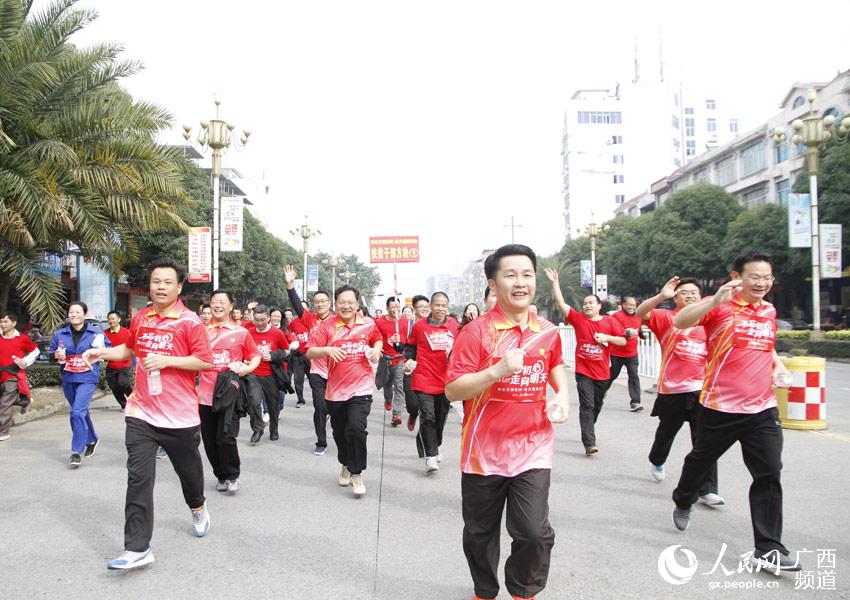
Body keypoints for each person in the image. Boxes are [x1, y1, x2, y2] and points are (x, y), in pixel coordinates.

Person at [446, 244, 568, 600]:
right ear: (493, 283)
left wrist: (561, 396)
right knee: (480, 532)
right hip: (483, 452)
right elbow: (453, 390)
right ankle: (484, 590)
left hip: (533, 447)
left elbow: (556, 365)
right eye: (510, 275)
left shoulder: (547, 330)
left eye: (527, 274)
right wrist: (496, 371)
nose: (520, 283)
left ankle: (523, 591)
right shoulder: (476, 333)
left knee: (533, 531)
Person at [669, 252, 801, 572]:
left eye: (766, 278)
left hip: (762, 409)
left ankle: (768, 548)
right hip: (720, 408)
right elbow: (679, 321)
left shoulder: (768, 310)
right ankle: (684, 496)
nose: (761, 283)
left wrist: (779, 367)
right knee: (700, 460)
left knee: (769, 473)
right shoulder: (720, 307)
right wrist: (713, 300)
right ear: (737, 276)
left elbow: (766, 346)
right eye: (755, 277)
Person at [84, 257, 213, 571]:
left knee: (190, 475)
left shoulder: (190, 322)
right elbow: (129, 351)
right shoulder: (142, 317)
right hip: (141, 412)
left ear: (179, 287)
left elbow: (205, 361)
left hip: (180, 417)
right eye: (156, 281)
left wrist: (168, 361)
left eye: (167, 282)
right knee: (139, 478)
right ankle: (138, 548)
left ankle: (197, 506)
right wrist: (101, 352)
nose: (160, 287)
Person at [635, 277, 723, 505]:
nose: (690, 296)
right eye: (684, 292)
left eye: (694, 292)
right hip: (672, 390)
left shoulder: (709, 320)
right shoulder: (666, 318)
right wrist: (661, 296)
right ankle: (657, 459)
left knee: (705, 441)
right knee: (666, 432)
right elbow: (640, 312)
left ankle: (707, 490)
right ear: (676, 297)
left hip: (700, 391)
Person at [306, 284, 382, 497]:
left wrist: (376, 350)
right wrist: (327, 349)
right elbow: (310, 351)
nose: (346, 306)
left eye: (351, 302)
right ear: (335, 304)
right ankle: (346, 464)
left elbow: (377, 338)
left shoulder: (368, 323)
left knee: (356, 429)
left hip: (362, 387)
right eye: (342, 302)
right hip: (336, 391)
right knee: (340, 432)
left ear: (357, 304)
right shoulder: (328, 326)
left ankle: (357, 473)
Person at [545, 268, 625, 455]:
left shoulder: (609, 322)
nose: (587, 305)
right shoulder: (578, 319)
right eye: (585, 303)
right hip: (584, 371)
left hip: (603, 372)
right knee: (587, 405)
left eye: (591, 303)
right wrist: (555, 282)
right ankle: (589, 443)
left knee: (596, 406)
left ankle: (589, 426)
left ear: (599, 306)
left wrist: (607, 337)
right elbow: (560, 303)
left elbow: (622, 341)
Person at [198, 289, 260, 494]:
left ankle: (232, 475)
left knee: (225, 437)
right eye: (214, 301)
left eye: (222, 302)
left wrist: (248, 368)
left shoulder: (241, 332)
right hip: (204, 395)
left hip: (230, 393)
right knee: (209, 440)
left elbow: (254, 355)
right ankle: (221, 475)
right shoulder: (200, 331)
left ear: (231, 306)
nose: (217, 305)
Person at [48, 302, 109, 467]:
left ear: (84, 314)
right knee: (80, 411)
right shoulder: (60, 334)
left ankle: (76, 451)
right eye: (71, 312)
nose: (74, 315)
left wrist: (97, 352)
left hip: (87, 377)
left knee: (76, 412)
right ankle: (91, 439)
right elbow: (51, 353)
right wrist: (56, 355)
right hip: (68, 377)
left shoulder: (95, 332)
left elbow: (107, 349)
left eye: (77, 312)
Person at [404, 292, 459, 472]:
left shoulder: (454, 326)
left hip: (446, 380)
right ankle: (431, 456)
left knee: (441, 417)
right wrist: (409, 359)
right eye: (437, 305)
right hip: (424, 377)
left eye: (444, 305)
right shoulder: (420, 326)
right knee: (428, 416)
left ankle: (436, 444)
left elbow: (463, 347)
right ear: (431, 306)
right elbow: (410, 346)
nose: (440, 309)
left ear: (447, 307)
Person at [284, 264, 334, 455]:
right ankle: (321, 441)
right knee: (320, 407)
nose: (320, 304)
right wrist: (290, 285)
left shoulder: (338, 320)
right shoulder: (309, 319)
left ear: (330, 303)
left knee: (333, 408)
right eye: (317, 301)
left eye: (323, 301)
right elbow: (297, 305)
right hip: (317, 371)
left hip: (336, 372)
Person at [247, 305, 290, 443]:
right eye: (256, 320)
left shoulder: (277, 333)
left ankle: (274, 430)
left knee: (273, 404)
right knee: (253, 402)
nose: (259, 323)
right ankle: (258, 429)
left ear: (269, 318)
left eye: (262, 320)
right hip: (253, 373)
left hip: (270, 374)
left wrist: (273, 355)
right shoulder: (249, 332)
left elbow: (287, 351)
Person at [0, 311, 40, 442]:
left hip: (12, 374)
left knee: (4, 404)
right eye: (1, 321)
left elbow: (36, 351)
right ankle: (25, 401)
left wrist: (25, 361)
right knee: (5, 400)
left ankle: (3, 432)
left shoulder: (22, 338)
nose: (3, 324)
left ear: (14, 323)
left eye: (5, 321)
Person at [375, 296, 409, 427]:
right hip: (385, 358)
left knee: (399, 386)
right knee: (387, 385)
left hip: (399, 358)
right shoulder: (380, 322)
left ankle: (397, 414)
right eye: (392, 307)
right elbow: (375, 338)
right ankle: (388, 400)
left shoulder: (405, 322)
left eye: (397, 307)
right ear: (387, 308)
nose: (395, 310)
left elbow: (408, 341)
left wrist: (400, 342)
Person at [607, 296, 646, 411]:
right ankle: (600, 391)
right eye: (629, 305)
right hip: (617, 353)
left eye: (634, 305)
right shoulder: (616, 317)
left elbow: (638, 329)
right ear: (624, 305)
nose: (632, 307)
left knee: (634, 376)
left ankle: (635, 402)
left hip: (632, 354)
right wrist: (625, 333)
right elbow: (610, 330)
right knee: (612, 374)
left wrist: (642, 335)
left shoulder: (638, 316)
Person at [403, 294, 431, 431]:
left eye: (427, 306)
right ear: (414, 309)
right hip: (412, 368)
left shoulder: (436, 325)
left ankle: (427, 435)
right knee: (412, 404)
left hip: (430, 371)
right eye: (422, 306)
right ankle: (413, 414)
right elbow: (402, 346)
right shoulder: (407, 325)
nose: (426, 309)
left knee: (429, 409)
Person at [104, 310, 133, 409]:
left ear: (119, 319)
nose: (111, 321)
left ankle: (134, 401)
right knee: (114, 387)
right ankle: (124, 405)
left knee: (123, 383)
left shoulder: (127, 332)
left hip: (124, 364)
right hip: (111, 365)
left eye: (113, 319)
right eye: (109, 319)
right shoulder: (104, 334)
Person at [284, 307, 310, 408]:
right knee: (298, 380)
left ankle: (322, 400)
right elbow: (289, 336)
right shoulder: (292, 323)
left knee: (315, 380)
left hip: (310, 355)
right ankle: (301, 400)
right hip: (297, 356)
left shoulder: (312, 321)